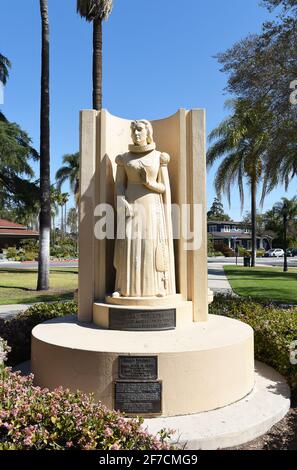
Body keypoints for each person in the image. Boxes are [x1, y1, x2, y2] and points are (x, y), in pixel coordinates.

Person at [113, 119, 176, 298]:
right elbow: (118, 185)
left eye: (140, 130)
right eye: (133, 131)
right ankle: (123, 288)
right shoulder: (124, 158)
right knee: (128, 243)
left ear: (148, 133)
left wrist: (148, 183)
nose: (136, 134)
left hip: (151, 205)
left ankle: (156, 288)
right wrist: (121, 199)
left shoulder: (158, 157)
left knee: (150, 244)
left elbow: (164, 188)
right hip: (130, 205)